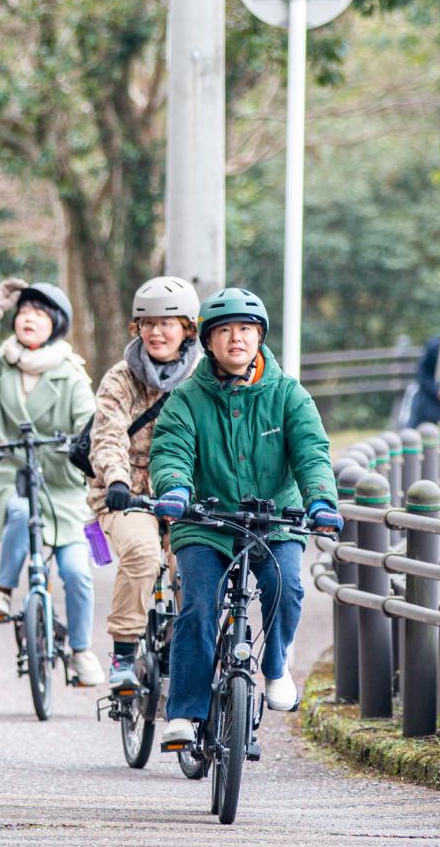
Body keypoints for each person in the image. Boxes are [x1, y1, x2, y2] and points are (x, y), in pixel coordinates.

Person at [147, 288, 343, 750]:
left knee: (286, 585)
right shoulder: (186, 399)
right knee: (197, 603)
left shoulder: (288, 394)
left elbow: (312, 454)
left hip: (274, 520)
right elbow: (171, 450)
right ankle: (185, 713)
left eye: (247, 330)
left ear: (259, 337)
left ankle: (275, 666)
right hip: (205, 521)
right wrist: (175, 489)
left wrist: (320, 500)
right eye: (225, 331)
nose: (237, 339)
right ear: (208, 342)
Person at [0, 276, 104, 686]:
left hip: (61, 486)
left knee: (78, 571)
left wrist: (88, 450)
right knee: (18, 510)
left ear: (56, 324)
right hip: (4, 475)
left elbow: (92, 423)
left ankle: (81, 652)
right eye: (24, 312)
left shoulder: (70, 374)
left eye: (40, 314)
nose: (29, 318)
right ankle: (3, 592)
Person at [89, 277, 202, 694]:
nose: (157, 332)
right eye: (148, 323)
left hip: (187, 495)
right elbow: (108, 435)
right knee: (141, 553)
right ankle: (123, 651)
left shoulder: (202, 379)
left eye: (168, 323)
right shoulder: (120, 378)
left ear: (188, 328)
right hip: (128, 493)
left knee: (195, 566)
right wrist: (117, 479)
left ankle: (182, 646)